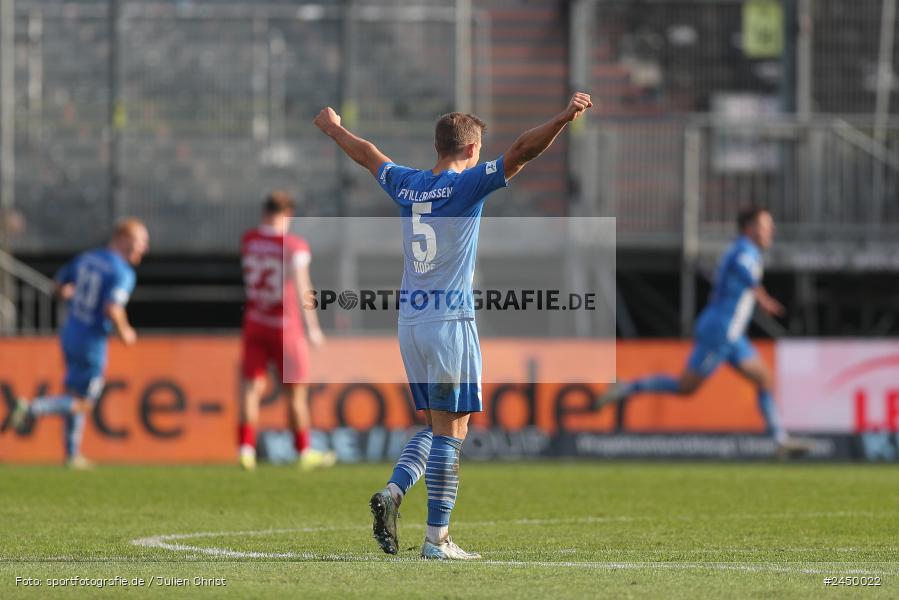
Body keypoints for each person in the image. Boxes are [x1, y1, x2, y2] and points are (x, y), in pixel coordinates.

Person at [314, 92, 593, 559]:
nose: (482, 154)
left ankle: (395, 492)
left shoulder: (409, 184)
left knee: (445, 426)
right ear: (467, 150)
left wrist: (333, 128)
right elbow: (522, 152)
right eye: (479, 147)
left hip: (411, 323)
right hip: (449, 321)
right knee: (450, 433)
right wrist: (564, 118)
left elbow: (368, 155)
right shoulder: (467, 184)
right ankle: (436, 540)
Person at [595, 207, 810, 456]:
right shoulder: (745, 249)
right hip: (719, 332)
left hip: (732, 335)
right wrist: (763, 297)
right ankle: (627, 388)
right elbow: (744, 271)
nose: (771, 230)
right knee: (685, 387)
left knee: (765, 378)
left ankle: (779, 440)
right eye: (765, 225)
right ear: (749, 229)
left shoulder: (745, 249)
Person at [11, 218, 149, 468]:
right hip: (92, 340)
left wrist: (66, 293)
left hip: (70, 331)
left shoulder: (87, 257)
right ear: (122, 237)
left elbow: (57, 286)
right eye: (140, 241)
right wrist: (126, 332)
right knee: (85, 401)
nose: (144, 248)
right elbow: (113, 308)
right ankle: (32, 408)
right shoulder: (122, 272)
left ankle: (72, 454)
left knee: (74, 394)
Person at [238, 191, 335, 471]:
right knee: (296, 393)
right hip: (286, 328)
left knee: (250, 388)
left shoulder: (249, 241)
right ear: (287, 214)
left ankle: (245, 449)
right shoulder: (293, 245)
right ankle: (303, 451)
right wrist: (313, 328)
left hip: (255, 321)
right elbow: (304, 287)